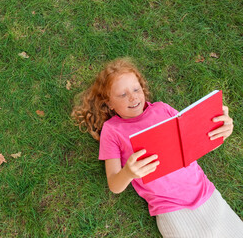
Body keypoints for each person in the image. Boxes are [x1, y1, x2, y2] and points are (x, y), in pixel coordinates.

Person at [72, 57, 243, 237]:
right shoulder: (112, 130)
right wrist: (128, 173)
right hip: (170, 208)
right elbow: (114, 184)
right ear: (109, 103)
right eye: (122, 94)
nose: (133, 96)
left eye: (136, 89)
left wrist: (220, 132)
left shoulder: (162, 109)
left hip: (206, 192)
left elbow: (195, 144)